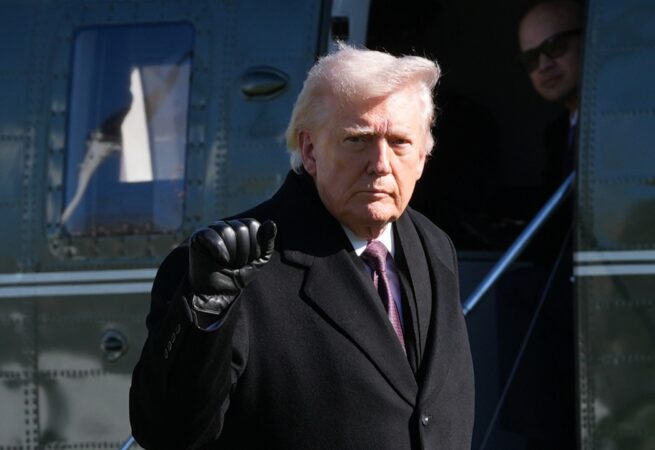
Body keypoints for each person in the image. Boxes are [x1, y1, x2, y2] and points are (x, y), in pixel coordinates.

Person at [129, 45, 474, 450]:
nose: (381, 163)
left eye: (399, 142)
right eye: (358, 139)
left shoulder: (433, 246)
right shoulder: (228, 266)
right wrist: (204, 311)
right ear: (310, 151)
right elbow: (167, 434)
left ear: (423, 157)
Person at [496, 2, 583, 449]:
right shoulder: (557, 132)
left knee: (522, 291)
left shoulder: (609, 128)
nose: (544, 64)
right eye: (531, 58)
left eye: (557, 46)